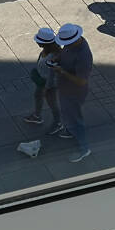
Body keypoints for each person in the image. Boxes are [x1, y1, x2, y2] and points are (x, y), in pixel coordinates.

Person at [49, 23, 93, 163]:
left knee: (75, 119)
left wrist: (61, 71)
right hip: (66, 88)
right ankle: (70, 130)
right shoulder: (73, 44)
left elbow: (81, 81)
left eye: (66, 43)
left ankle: (84, 149)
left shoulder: (83, 56)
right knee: (68, 113)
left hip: (74, 91)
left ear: (74, 39)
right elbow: (65, 51)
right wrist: (58, 59)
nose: (64, 45)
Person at [23, 27, 61, 128]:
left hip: (49, 84)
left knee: (52, 103)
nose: (37, 43)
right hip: (42, 81)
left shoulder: (54, 57)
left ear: (46, 43)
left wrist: (47, 88)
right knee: (37, 96)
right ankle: (37, 116)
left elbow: (53, 75)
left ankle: (58, 123)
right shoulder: (47, 50)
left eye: (39, 41)